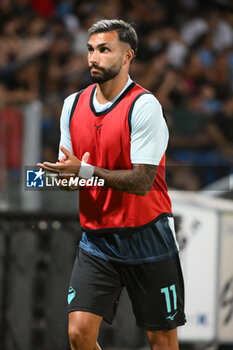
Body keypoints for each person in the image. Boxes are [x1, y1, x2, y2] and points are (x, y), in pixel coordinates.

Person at [38, 19, 186, 350]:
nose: (94, 57)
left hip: (147, 234)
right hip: (98, 239)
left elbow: (142, 181)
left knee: (161, 341)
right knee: (79, 332)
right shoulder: (72, 105)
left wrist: (86, 171)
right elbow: (73, 178)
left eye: (104, 50)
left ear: (128, 56)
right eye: (90, 49)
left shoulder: (144, 106)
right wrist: (63, 177)